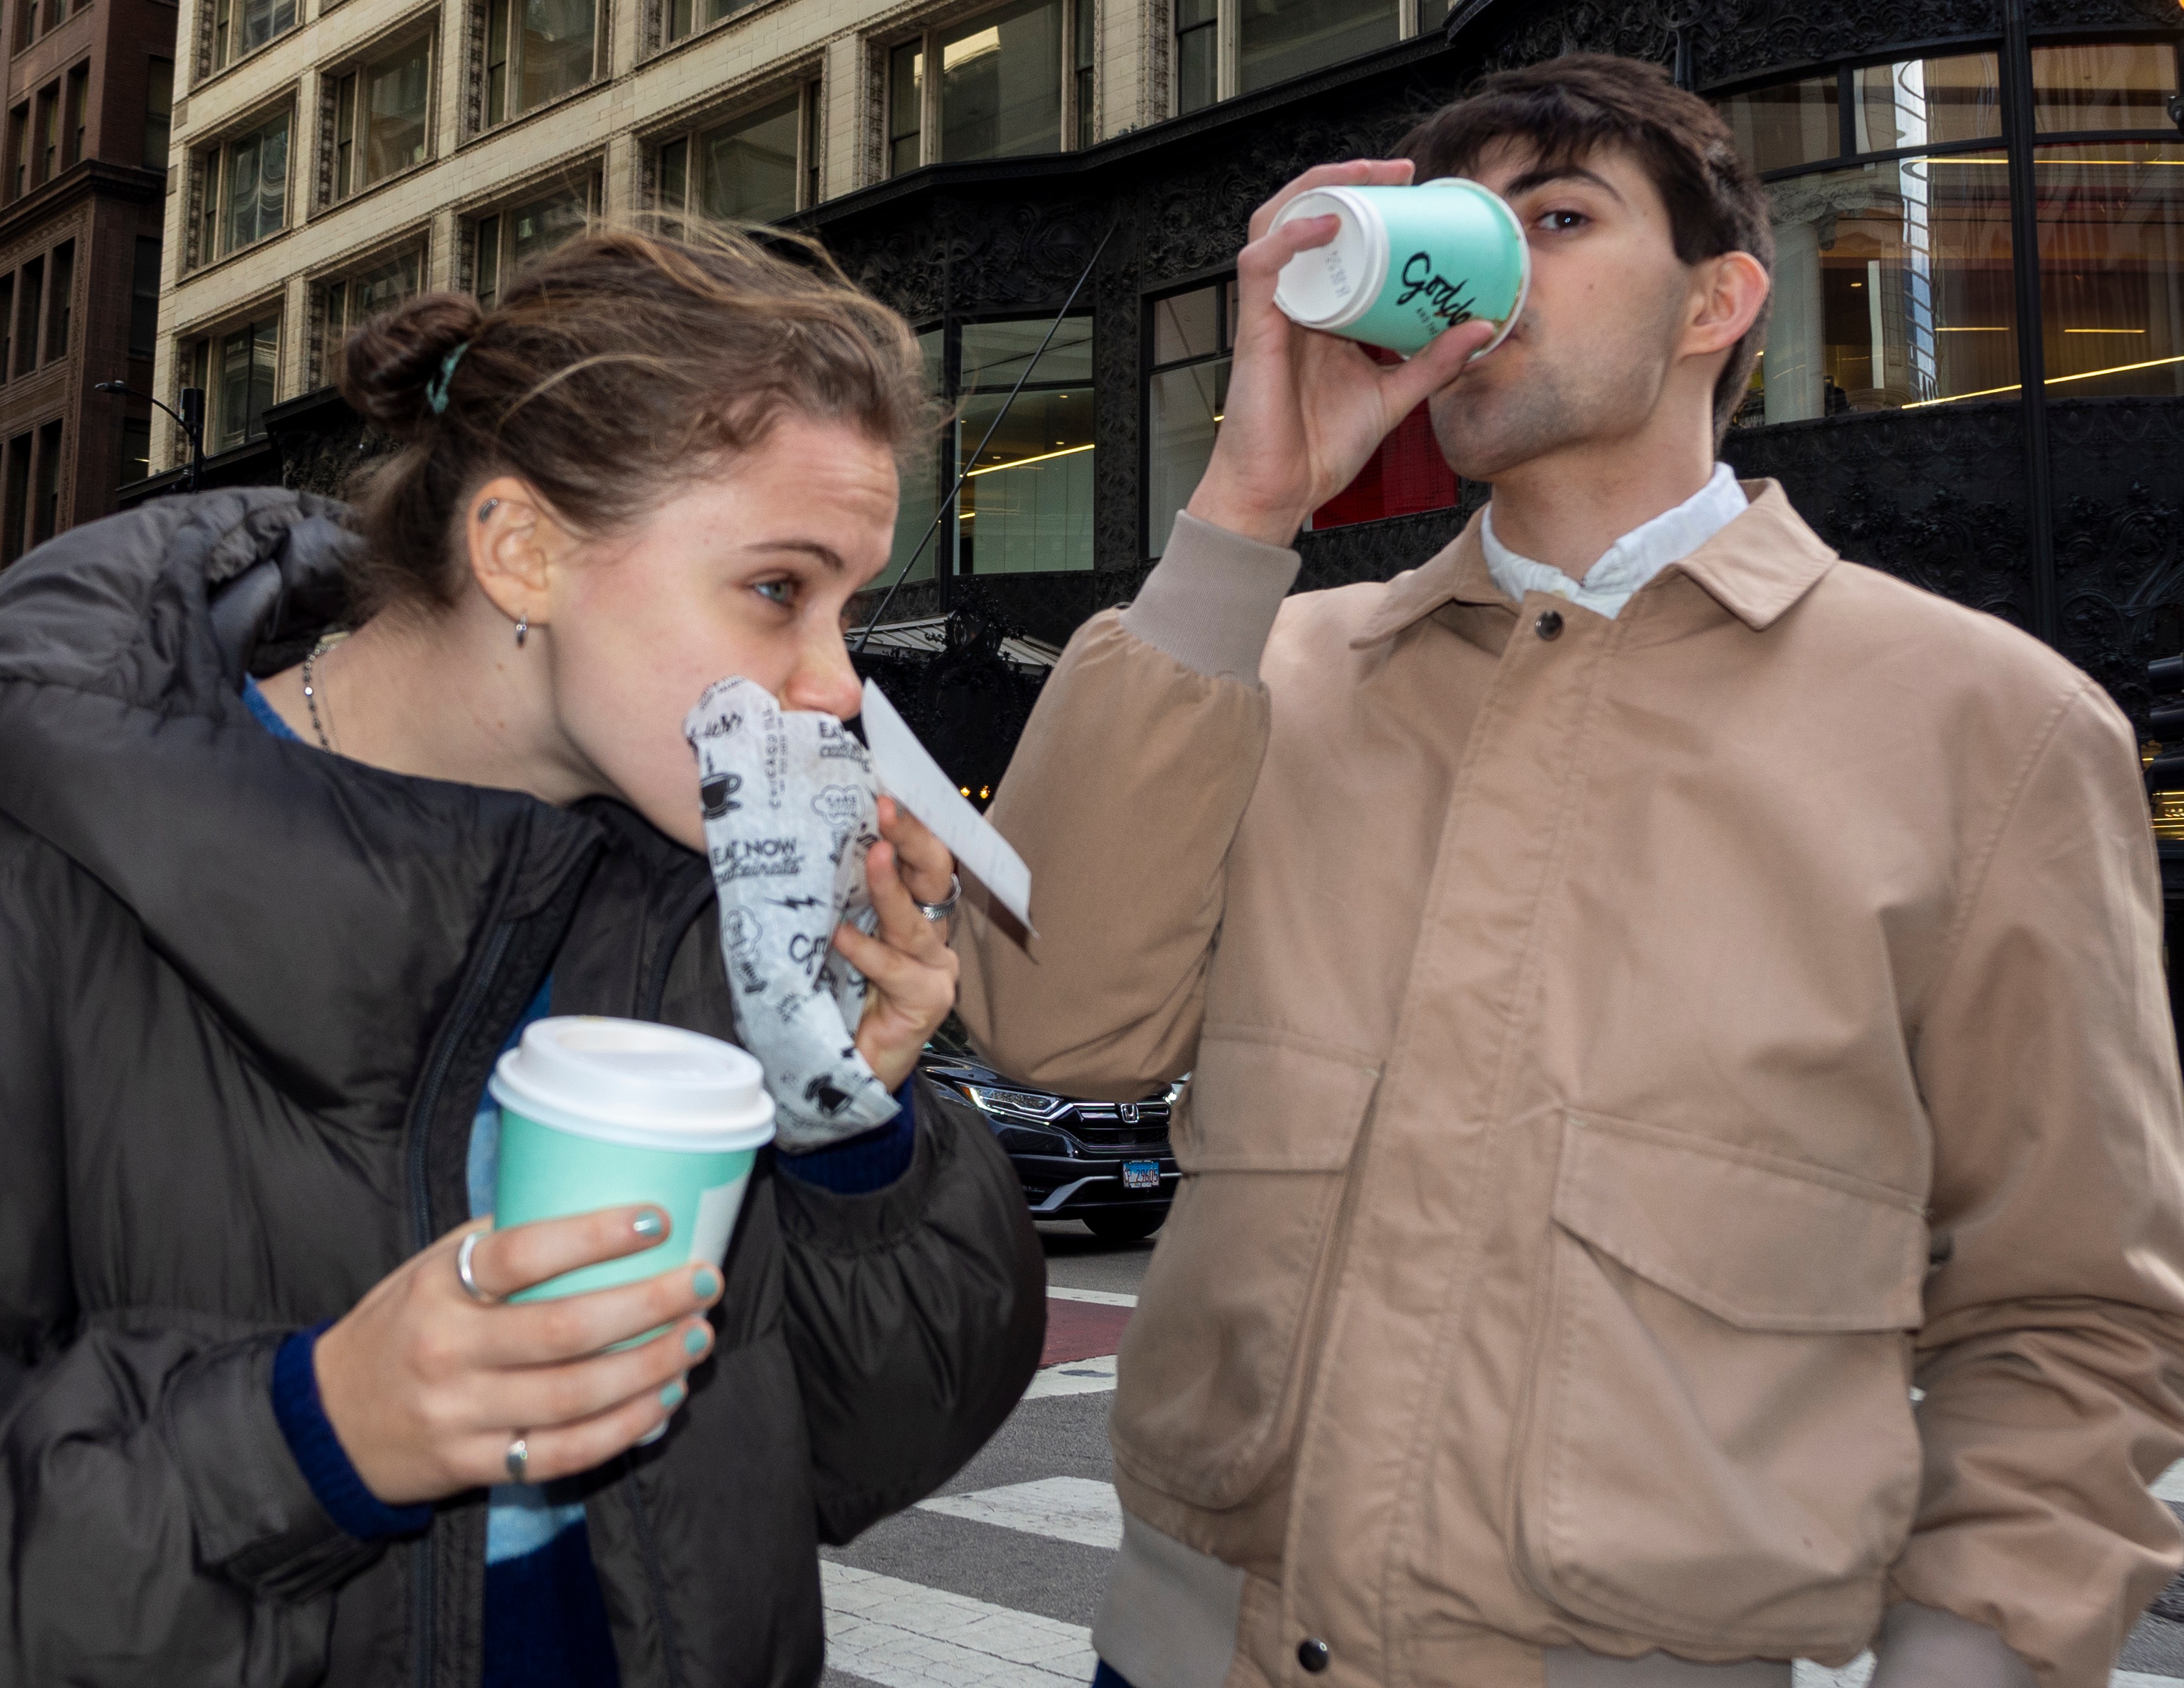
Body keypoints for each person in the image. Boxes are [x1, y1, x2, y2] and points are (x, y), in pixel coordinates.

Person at [954, 53, 2184, 1688]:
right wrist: (1248, 504)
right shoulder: (1273, 664)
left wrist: (1969, 1662)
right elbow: (1050, 1025)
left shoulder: (1992, 727)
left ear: (1717, 303)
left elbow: (2070, 1307)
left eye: (1560, 214)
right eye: (1472, 224)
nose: (1496, 265)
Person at [0, 225, 1044, 1685]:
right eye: (775, 591)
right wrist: (316, 1435)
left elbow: (862, 1455)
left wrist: (845, 1122)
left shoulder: (691, 895)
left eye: (848, 605)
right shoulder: (48, 854)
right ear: (523, 549)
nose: (835, 684)